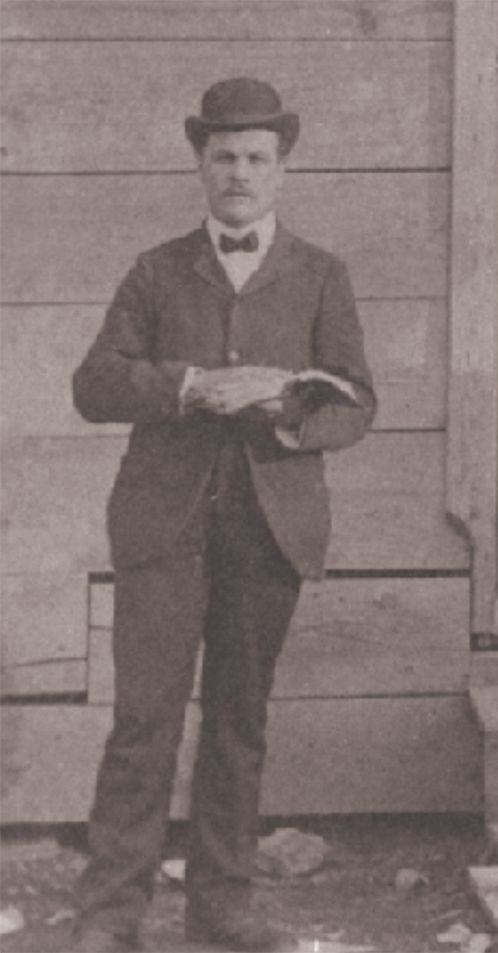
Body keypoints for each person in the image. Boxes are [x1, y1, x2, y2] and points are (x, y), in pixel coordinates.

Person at [69, 78, 375, 953]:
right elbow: (94, 383)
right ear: (201, 165)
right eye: (224, 156)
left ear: (281, 169)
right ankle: (110, 913)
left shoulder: (321, 274)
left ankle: (222, 906)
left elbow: (357, 403)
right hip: (165, 525)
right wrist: (190, 385)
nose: (240, 172)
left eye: (256, 158)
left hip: (269, 523)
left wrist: (286, 405)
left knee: (240, 720)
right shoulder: (158, 269)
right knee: (145, 718)